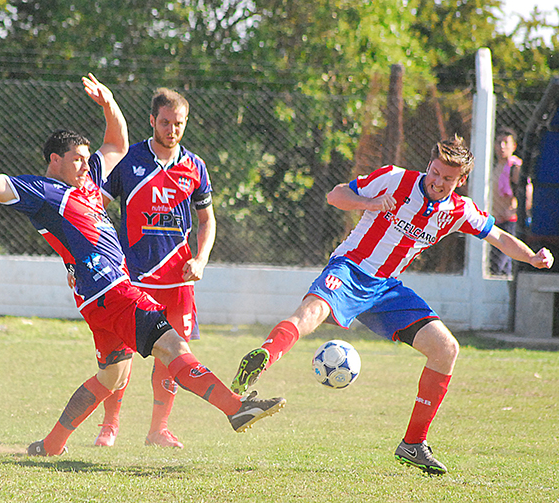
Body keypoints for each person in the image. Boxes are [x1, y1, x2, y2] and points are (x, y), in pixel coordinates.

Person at [0, 74, 285, 457]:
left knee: (111, 376)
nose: (87, 166)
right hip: (112, 292)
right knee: (172, 346)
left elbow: (116, 141)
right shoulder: (43, 193)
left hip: (97, 299)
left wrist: (109, 102)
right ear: (55, 160)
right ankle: (236, 407)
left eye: (87, 160)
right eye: (78, 160)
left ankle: (50, 445)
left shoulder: (86, 182)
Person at [230, 135, 554, 475]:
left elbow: (499, 237)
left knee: (446, 349)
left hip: (387, 289)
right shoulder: (394, 178)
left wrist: (532, 256)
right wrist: (367, 203)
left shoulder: (458, 210)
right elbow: (335, 195)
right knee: (312, 311)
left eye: (447, 178)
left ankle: (413, 444)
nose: (438, 182)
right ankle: (263, 357)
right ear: (429, 165)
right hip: (350, 268)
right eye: (435, 172)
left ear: (460, 181)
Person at [86, 88, 215, 448]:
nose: (172, 130)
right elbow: (95, 210)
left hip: (178, 282)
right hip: (132, 278)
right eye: (165, 122)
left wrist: (200, 258)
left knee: (173, 358)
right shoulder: (128, 159)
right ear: (151, 121)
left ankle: (158, 429)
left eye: (179, 124)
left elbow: (207, 221)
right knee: (121, 357)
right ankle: (109, 426)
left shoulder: (195, 167)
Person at [490, 126, 532, 275]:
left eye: (506, 142)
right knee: (496, 264)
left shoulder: (515, 167)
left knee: (501, 266)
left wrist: (513, 211)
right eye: (499, 142)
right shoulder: (495, 167)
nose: (502, 146)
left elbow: (528, 194)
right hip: (496, 221)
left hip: (510, 222)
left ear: (513, 146)